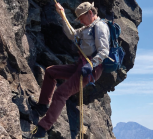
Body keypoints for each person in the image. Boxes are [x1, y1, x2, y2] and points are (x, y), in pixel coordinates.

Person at [29, 1, 110, 138]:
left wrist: (91, 65)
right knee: (50, 72)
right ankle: (42, 106)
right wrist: (62, 14)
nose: (80, 21)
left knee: (61, 93)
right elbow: (72, 34)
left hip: (90, 70)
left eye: (81, 18)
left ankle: (42, 129)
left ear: (90, 13)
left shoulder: (100, 26)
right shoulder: (87, 28)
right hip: (81, 65)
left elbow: (104, 51)